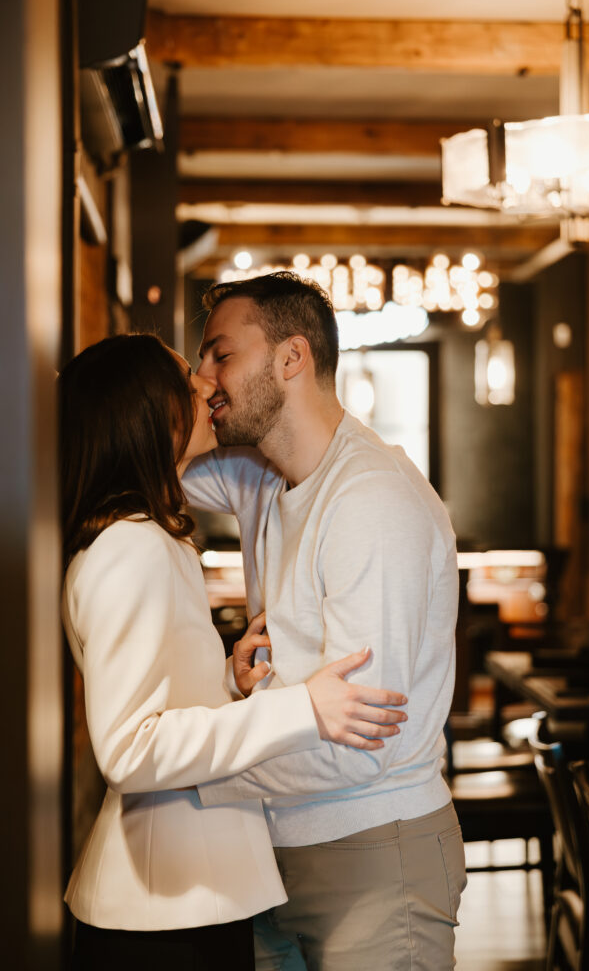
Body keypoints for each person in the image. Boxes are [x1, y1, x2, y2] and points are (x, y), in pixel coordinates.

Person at [58, 333, 408, 971]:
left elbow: (158, 702)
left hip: (187, 896)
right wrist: (304, 709)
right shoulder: (129, 548)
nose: (205, 389)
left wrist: (226, 678)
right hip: (164, 906)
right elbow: (129, 749)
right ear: (147, 416)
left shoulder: (140, 539)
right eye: (185, 384)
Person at [183, 271, 467, 971]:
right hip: (270, 850)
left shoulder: (370, 500)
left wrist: (186, 774)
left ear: (291, 358)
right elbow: (140, 457)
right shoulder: (258, 474)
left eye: (220, 354)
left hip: (374, 853)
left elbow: (360, 742)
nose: (201, 376)